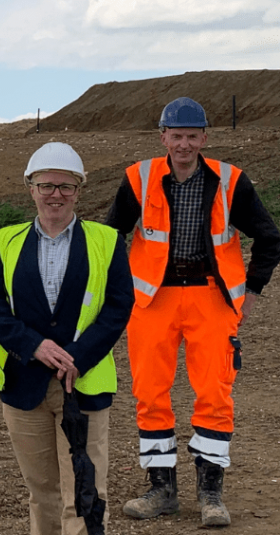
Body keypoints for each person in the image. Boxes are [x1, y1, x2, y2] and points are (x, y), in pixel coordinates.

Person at [106, 97, 280, 527]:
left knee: (215, 395)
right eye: (176, 136)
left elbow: (269, 237)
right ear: (162, 136)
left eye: (191, 136)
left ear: (204, 138)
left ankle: (211, 495)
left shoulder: (230, 180)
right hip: (152, 301)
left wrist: (250, 292)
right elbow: (109, 237)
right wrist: (116, 294)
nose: (183, 144)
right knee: (149, 394)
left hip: (211, 298)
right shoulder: (138, 178)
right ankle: (161, 490)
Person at [0, 142, 134, 535]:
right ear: (31, 188)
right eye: (46, 186)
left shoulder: (107, 241)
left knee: (85, 492)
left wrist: (77, 357)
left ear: (79, 191)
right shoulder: (6, 241)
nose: (55, 195)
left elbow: (118, 307)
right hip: (23, 385)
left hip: (83, 386)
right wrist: (33, 345)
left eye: (66, 187)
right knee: (42, 492)